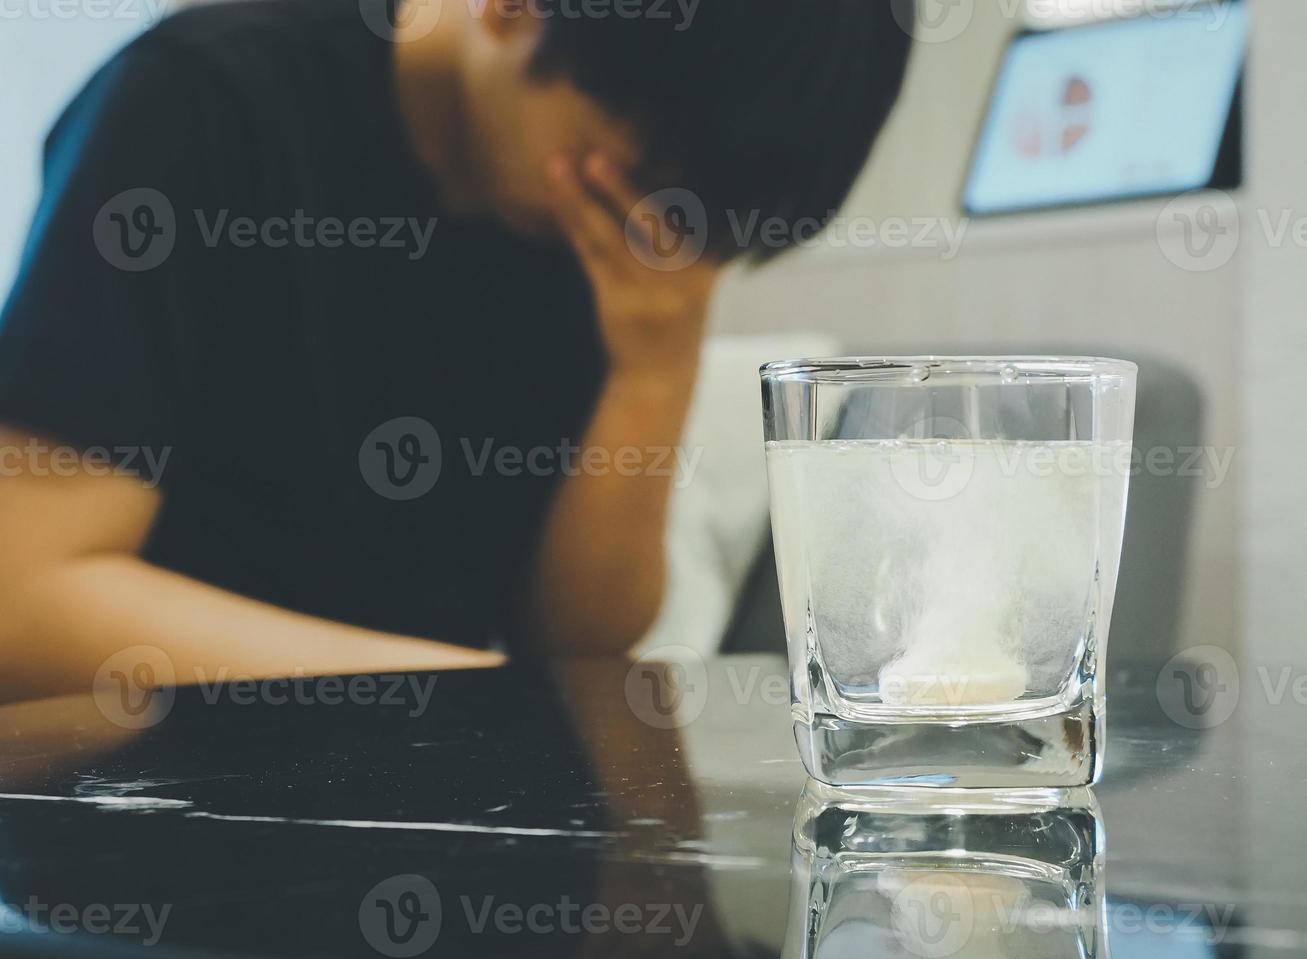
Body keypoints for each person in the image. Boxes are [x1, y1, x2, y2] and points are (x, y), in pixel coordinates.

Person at [0, 0, 913, 701]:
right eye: (631, 174)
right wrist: (465, 694)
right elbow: (25, 594)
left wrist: (655, 369)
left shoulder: (587, 224)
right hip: (141, 807)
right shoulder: (202, 102)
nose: (651, 235)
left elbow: (580, 643)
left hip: (419, 800)